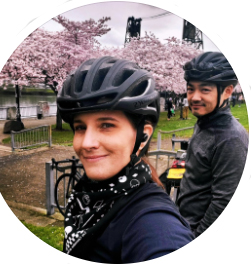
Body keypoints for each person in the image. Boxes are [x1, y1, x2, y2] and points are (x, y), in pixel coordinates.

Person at [57, 56, 194, 262]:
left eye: (106, 125)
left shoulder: (153, 220)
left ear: (143, 136)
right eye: (80, 127)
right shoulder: (88, 196)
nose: (87, 143)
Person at [177, 52, 248, 237]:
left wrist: (195, 239)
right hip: (182, 224)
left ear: (227, 91)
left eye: (205, 90)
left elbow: (224, 202)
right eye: (191, 89)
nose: (194, 97)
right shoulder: (204, 121)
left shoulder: (231, 138)